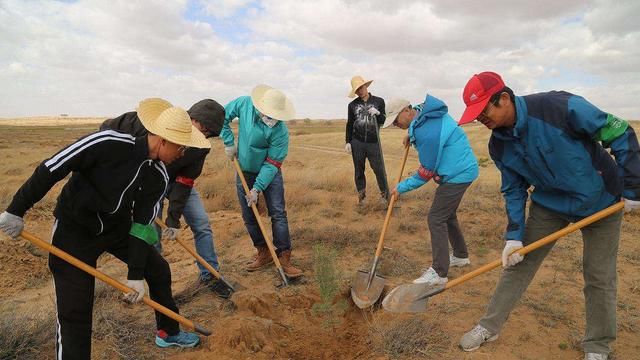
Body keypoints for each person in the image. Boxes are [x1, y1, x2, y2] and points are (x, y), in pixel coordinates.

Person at [0, 98, 211, 358]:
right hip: (74, 230)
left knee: (157, 269)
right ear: (162, 139)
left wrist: (135, 275)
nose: (183, 153)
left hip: (115, 228)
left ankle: (168, 333)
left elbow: (142, 226)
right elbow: (52, 167)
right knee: (75, 311)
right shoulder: (108, 143)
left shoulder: (158, 175)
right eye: (181, 146)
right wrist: (15, 210)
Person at [456, 71, 640, 360]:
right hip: (550, 205)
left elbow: (619, 132)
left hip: (601, 201)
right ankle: (489, 326)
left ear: (503, 99)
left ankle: (597, 346)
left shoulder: (560, 107)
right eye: (475, 113)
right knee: (518, 264)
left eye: (483, 111)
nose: (480, 119)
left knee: (599, 276)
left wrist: (632, 187)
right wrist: (514, 236)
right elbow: (514, 189)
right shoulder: (498, 145)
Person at [100, 99, 231, 298]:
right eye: (200, 127)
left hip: (175, 183)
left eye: (207, 133)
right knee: (151, 232)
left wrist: (173, 220)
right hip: (148, 184)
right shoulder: (153, 122)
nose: (201, 135)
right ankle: (151, 281)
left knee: (202, 223)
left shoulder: (201, 147)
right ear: (190, 117)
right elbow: (109, 129)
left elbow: (184, 182)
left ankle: (210, 276)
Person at [385, 94, 479, 285]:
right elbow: (420, 125)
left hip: (457, 174)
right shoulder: (424, 113)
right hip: (462, 169)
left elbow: (426, 172)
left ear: (406, 111)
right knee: (447, 215)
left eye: (395, 120)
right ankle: (460, 256)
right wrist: (410, 133)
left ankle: (439, 273)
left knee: (436, 218)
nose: (395, 124)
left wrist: (401, 188)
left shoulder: (428, 133)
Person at [221, 84, 303, 278]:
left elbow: (272, 163)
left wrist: (257, 189)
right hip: (244, 170)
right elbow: (222, 117)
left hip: (269, 172)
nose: (270, 118)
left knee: (278, 213)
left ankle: (283, 256)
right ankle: (263, 252)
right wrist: (228, 141)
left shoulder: (280, 132)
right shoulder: (243, 104)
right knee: (249, 215)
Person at [345, 75, 389, 205]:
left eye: (361, 87)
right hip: (357, 142)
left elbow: (384, 121)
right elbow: (350, 123)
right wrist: (348, 141)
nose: (360, 91)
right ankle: (362, 198)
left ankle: (385, 197)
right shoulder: (352, 105)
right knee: (359, 170)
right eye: (357, 89)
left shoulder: (379, 101)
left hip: (374, 141)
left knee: (379, 169)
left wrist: (378, 114)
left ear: (366, 86)